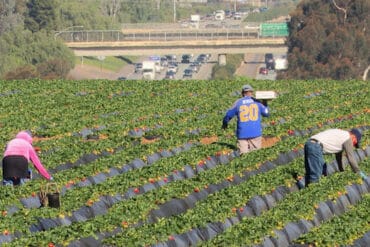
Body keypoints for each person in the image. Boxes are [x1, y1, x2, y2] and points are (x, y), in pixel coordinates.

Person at [297, 128, 366, 188]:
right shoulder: (348, 138)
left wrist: (342, 171)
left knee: (313, 171)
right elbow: (351, 158)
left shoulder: (342, 136)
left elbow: (339, 157)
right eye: (355, 143)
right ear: (353, 137)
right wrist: (358, 172)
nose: (353, 145)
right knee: (316, 174)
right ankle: (311, 194)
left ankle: (308, 188)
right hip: (316, 146)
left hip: (310, 144)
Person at [222, 84, 269, 155]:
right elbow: (266, 114)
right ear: (251, 92)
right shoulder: (257, 102)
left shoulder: (238, 103)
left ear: (242, 93)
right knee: (256, 155)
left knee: (244, 156)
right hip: (255, 133)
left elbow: (228, 115)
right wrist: (265, 103)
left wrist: (225, 123)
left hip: (242, 134)